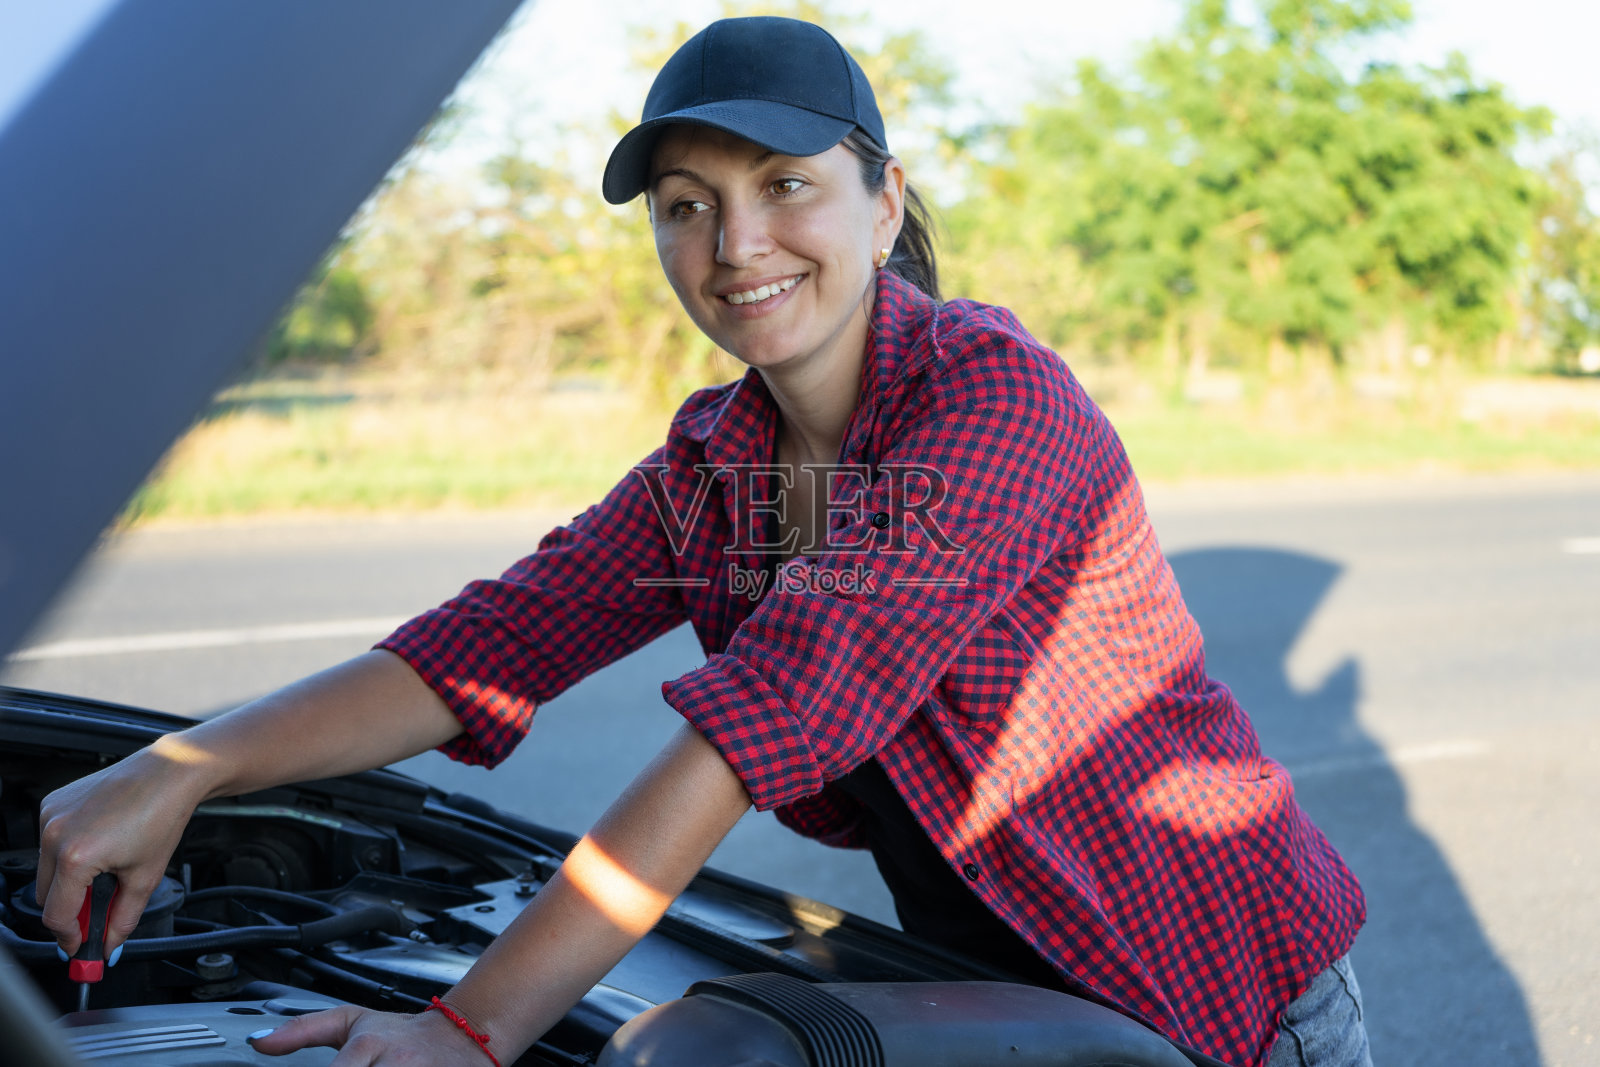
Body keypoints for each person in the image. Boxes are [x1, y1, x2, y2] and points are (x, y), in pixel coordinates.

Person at [35, 16, 1371, 1067]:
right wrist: (178, 768)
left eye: (786, 185)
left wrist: (469, 1027)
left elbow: (778, 704)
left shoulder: (993, 399)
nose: (736, 244)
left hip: (1219, 993)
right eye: (685, 203)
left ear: (883, 204)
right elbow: (485, 650)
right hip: (992, 988)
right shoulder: (716, 463)